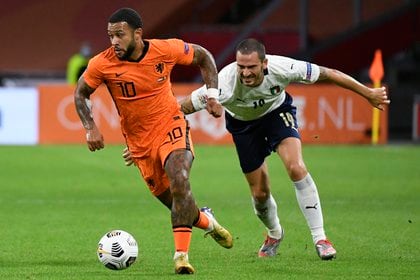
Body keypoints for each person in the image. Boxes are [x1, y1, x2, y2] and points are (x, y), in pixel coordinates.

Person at [178, 38, 390, 260]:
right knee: (260, 194)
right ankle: (274, 234)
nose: (246, 73)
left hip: (277, 114)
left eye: (251, 67)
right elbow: (180, 107)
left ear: (265, 64)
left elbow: (329, 73)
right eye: (241, 67)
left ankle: (321, 239)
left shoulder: (283, 67)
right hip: (243, 127)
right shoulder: (223, 83)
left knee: (296, 167)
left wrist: (368, 93)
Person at [73, 7, 232, 275]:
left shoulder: (165, 50)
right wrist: (90, 127)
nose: (114, 41)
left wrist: (213, 95)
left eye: (119, 35)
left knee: (180, 179)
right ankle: (207, 221)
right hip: (139, 143)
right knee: (177, 205)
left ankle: (181, 256)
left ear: (138, 33)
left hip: (171, 123)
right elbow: (81, 93)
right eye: (110, 36)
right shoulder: (103, 63)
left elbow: (203, 57)